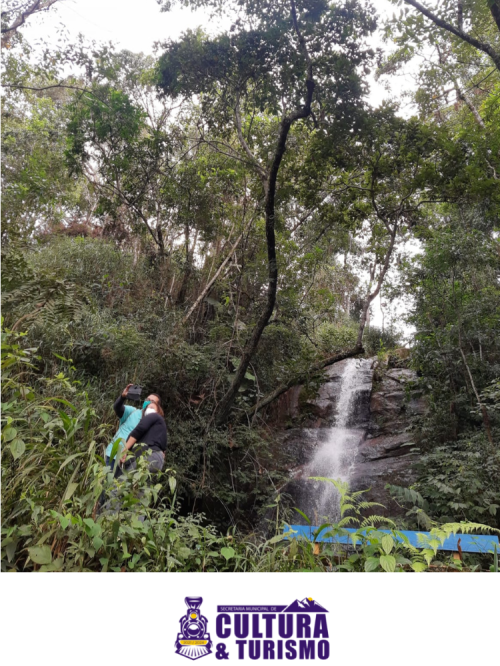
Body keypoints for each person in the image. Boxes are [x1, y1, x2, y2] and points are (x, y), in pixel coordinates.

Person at [104, 384, 162, 470]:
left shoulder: (154, 426)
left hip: (131, 465)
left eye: (152, 401)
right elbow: (117, 408)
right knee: (108, 482)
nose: (148, 402)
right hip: (114, 455)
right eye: (147, 399)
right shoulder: (133, 412)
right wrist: (122, 397)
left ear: (157, 407)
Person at [118, 399, 167, 476]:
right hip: (154, 459)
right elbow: (163, 450)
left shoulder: (155, 416)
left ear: (158, 412)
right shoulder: (157, 430)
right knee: (139, 486)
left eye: (152, 407)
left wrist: (125, 450)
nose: (149, 409)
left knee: (123, 483)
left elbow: (138, 430)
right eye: (147, 408)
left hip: (149, 457)